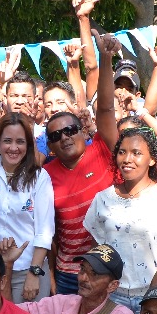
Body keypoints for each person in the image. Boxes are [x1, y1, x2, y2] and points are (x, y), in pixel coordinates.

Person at [43, 33, 120, 295]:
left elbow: (107, 109)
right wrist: (51, 274)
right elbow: (48, 233)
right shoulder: (45, 175)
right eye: (55, 136)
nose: (64, 137)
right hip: (68, 275)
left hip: (109, 270)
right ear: (50, 146)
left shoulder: (102, 149)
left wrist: (106, 59)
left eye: (70, 130)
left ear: (83, 131)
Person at [84, 125, 157, 314]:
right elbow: (97, 248)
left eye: (136, 153)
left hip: (154, 296)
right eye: (122, 152)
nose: (127, 159)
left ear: (152, 159)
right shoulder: (103, 199)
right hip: (113, 296)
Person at [0, 99, 54, 302]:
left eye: (20, 141)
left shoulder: (40, 178)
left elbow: (44, 230)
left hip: (27, 269)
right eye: (7, 141)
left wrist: (34, 273)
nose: (13, 148)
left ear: (28, 145)